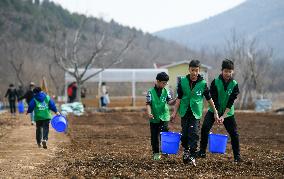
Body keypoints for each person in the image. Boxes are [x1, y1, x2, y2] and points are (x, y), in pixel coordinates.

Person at [171, 60, 219, 166]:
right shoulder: (182, 82)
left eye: (196, 70)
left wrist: (215, 112)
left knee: (194, 133)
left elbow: (209, 99)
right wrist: (174, 113)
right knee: (185, 134)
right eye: (192, 70)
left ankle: (192, 155)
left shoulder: (202, 84)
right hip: (184, 112)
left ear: (199, 70)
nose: (194, 73)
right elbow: (179, 98)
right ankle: (186, 151)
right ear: (189, 70)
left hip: (195, 113)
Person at [197, 59, 241, 163]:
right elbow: (214, 100)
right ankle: (202, 152)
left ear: (232, 72)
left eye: (230, 71)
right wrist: (216, 114)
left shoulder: (234, 84)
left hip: (228, 113)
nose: (228, 73)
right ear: (222, 71)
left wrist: (223, 116)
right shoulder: (215, 82)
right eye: (226, 71)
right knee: (205, 128)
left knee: (234, 133)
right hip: (214, 110)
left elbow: (231, 102)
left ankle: (237, 156)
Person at [146, 72, 176, 160]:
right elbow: (148, 104)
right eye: (163, 83)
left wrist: (175, 100)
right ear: (158, 81)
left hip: (164, 116)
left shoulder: (166, 91)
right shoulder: (150, 92)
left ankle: (165, 151)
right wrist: (149, 113)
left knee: (164, 134)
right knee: (154, 136)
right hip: (154, 117)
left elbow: (169, 102)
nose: (165, 85)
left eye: (166, 83)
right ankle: (156, 153)